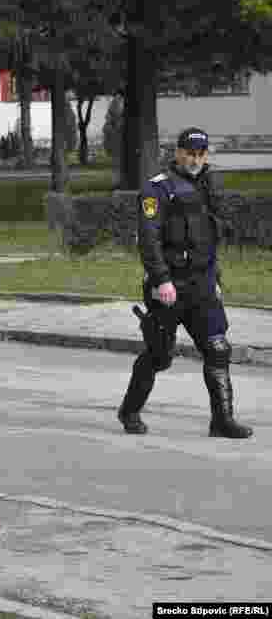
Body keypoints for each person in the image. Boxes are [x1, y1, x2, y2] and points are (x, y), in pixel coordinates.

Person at [118, 127, 253, 439]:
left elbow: (208, 240)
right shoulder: (158, 189)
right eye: (189, 153)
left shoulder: (208, 187)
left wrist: (214, 278)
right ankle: (130, 410)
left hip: (202, 284)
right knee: (160, 355)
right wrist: (161, 279)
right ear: (177, 152)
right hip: (169, 286)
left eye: (200, 154)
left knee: (218, 349)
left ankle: (222, 421)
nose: (194, 159)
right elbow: (149, 241)